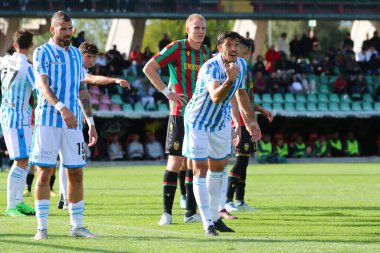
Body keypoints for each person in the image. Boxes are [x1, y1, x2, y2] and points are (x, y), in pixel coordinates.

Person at [182, 31, 261, 236]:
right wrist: (229, 80)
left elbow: (241, 93)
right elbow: (216, 97)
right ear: (220, 48)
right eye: (228, 45)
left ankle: (217, 218)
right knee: (200, 169)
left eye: (236, 44)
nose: (233, 48)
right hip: (198, 121)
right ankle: (207, 222)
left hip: (219, 122)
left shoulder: (241, 65)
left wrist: (251, 122)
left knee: (219, 169)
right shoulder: (210, 67)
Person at [30, 10, 98, 240]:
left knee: (76, 172)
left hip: (73, 125)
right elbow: (42, 86)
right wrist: (62, 108)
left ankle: (76, 226)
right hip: (48, 121)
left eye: (71, 29)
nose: (68, 33)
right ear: (53, 29)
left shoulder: (77, 55)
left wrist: (90, 122)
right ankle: (42, 228)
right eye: (64, 29)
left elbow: (82, 90)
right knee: (44, 173)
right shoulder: (42, 52)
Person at [143, 14, 212, 226]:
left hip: (200, 116)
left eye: (202, 28)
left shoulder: (207, 52)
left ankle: (191, 212)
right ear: (187, 29)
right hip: (180, 113)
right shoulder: (176, 48)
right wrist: (167, 92)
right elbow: (149, 68)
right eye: (196, 28)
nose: (200, 31)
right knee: (176, 161)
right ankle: (166, 213)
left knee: (197, 162)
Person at [57, 41, 130, 210]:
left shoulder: (75, 67)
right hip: (62, 116)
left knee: (65, 159)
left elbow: (85, 87)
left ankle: (63, 197)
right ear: (80, 55)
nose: (91, 60)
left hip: (69, 116)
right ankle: (62, 198)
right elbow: (93, 79)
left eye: (93, 57)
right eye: (88, 56)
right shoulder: (75, 67)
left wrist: (87, 118)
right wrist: (115, 80)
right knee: (68, 160)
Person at [224, 37, 273, 216]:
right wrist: (239, 122)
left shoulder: (246, 71)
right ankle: (228, 200)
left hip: (249, 120)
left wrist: (260, 109)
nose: (236, 51)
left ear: (249, 52)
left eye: (241, 49)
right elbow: (236, 99)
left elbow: (248, 99)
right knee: (241, 160)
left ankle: (240, 199)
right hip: (242, 121)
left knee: (244, 161)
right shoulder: (238, 70)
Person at [0, 29, 36, 217]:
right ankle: (11, 205)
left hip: (7, 114)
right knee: (21, 160)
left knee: (26, 159)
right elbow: (41, 90)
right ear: (32, 45)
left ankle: (19, 202)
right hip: (18, 119)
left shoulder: (4, 61)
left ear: (14, 44)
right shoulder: (28, 68)